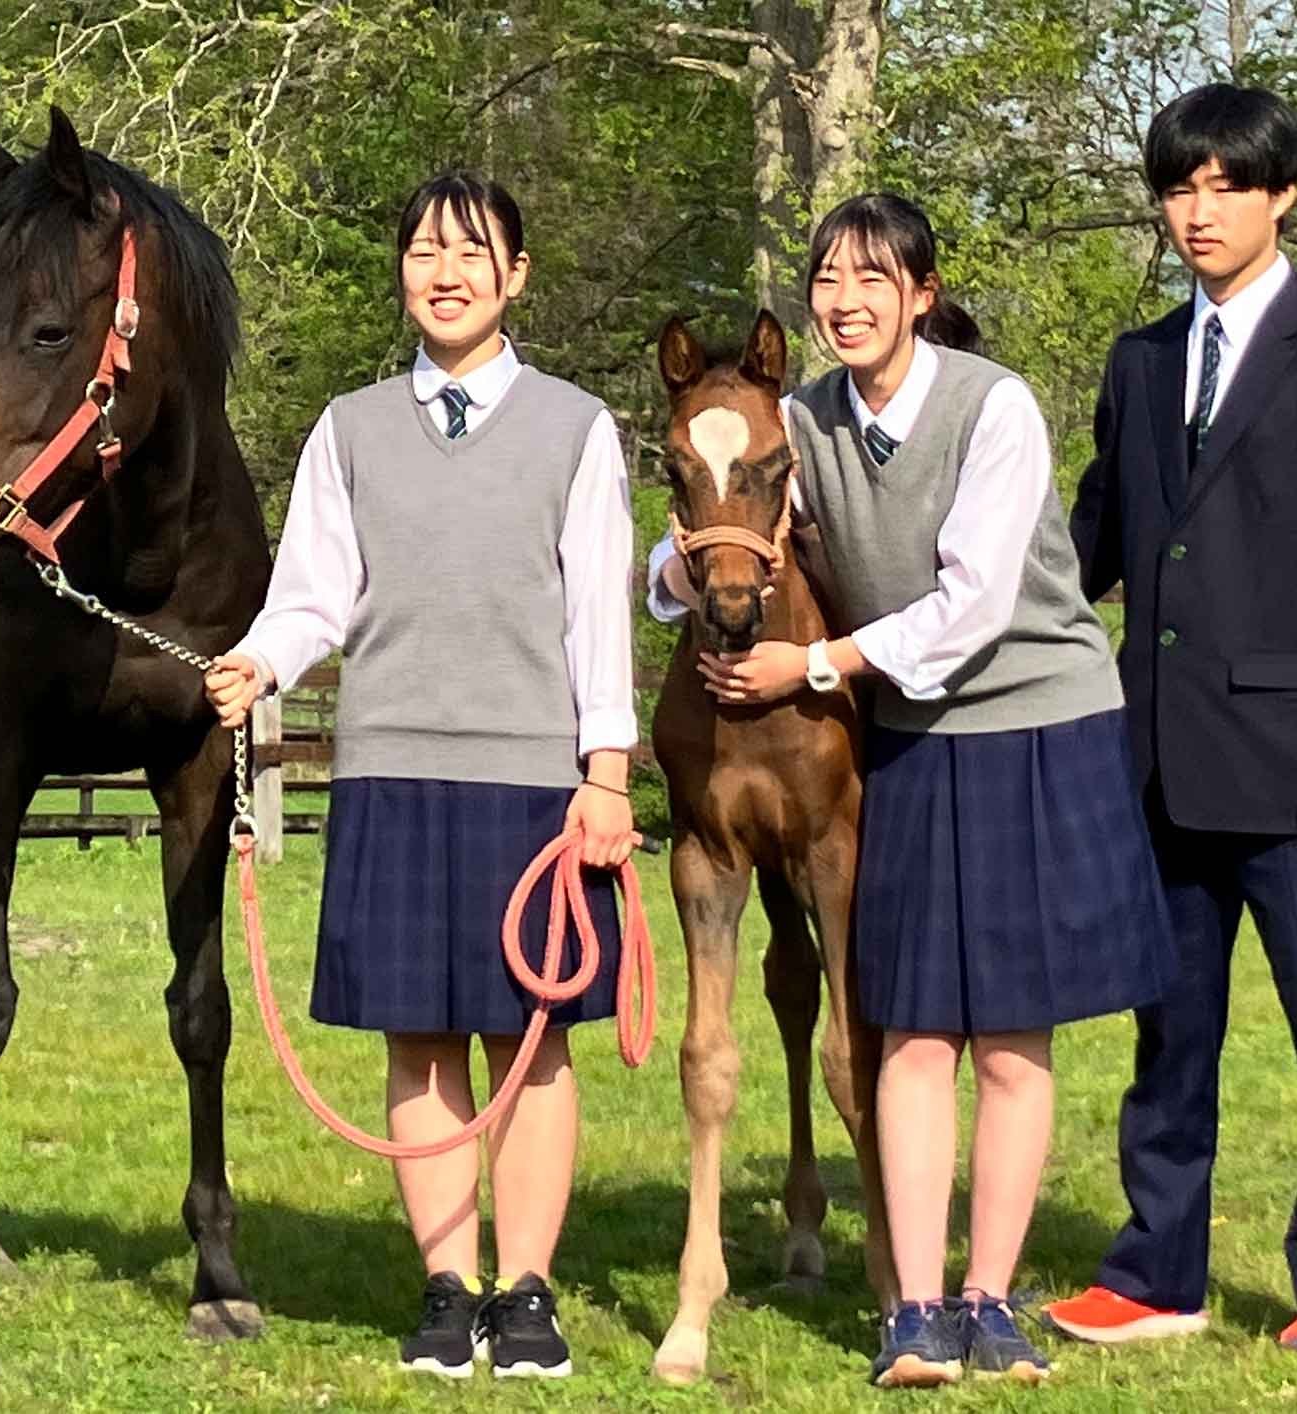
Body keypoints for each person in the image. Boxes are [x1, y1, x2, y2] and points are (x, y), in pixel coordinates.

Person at [649, 193, 1172, 1387]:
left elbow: (977, 601)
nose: (844, 299)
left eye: (872, 279)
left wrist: (812, 663)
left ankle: (987, 1294)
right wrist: (684, 573)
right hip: (907, 726)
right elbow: (729, 519)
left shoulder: (992, 407)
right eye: (828, 277)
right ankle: (915, 1305)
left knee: (1009, 1026)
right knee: (914, 1015)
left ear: (921, 296)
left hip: (1028, 711)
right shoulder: (802, 417)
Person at [204, 171, 637, 1380]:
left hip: (533, 788)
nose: (444, 273)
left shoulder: (575, 427)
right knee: (420, 1042)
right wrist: (258, 661)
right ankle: (447, 1292)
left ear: (515, 276)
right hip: (390, 770)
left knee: (532, 1045)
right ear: (400, 272)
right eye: (423, 252)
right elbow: (312, 596)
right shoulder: (346, 429)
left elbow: (599, 616)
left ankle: (529, 1291)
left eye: (471, 252)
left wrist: (605, 773)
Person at [1043, 83, 1297, 1364]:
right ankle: (1158, 1270)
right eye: (1178, 185)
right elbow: (1089, 540)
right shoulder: (1139, 362)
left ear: (1282, 198)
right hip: (1153, 762)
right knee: (1167, 1039)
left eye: (1225, 186)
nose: (1197, 211)